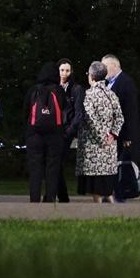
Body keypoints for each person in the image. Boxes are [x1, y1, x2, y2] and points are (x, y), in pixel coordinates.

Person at [77, 60, 124, 203]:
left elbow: (91, 119)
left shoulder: (88, 95)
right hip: (109, 149)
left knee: (96, 188)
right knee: (107, 187)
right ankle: (113, 208)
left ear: (91, 76)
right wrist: (113, 135)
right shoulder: (111, 94)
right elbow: (120, 117)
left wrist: (102, 137)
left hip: (93, 150)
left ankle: (98, 212)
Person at [24, 61, 66, 203]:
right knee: (52, 168)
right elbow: (64, 109)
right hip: (55, 135)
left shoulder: (33, 90)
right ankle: (50, 198)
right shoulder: (59, 91)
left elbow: (26, 111)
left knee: (35, 167)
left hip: (34, 134)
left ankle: (34, 198)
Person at [56, 58, 84, 203]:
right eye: (62, 70)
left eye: (67, 70)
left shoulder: (76, 89)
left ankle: (62, 196)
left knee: (57, 163)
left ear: (71, 71)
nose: (64, 73)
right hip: (54, 131)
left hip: (66, 132)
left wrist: (69, 132)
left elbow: (79, 114)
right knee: (54, 164)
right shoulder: (54, 87)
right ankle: (59, 195)